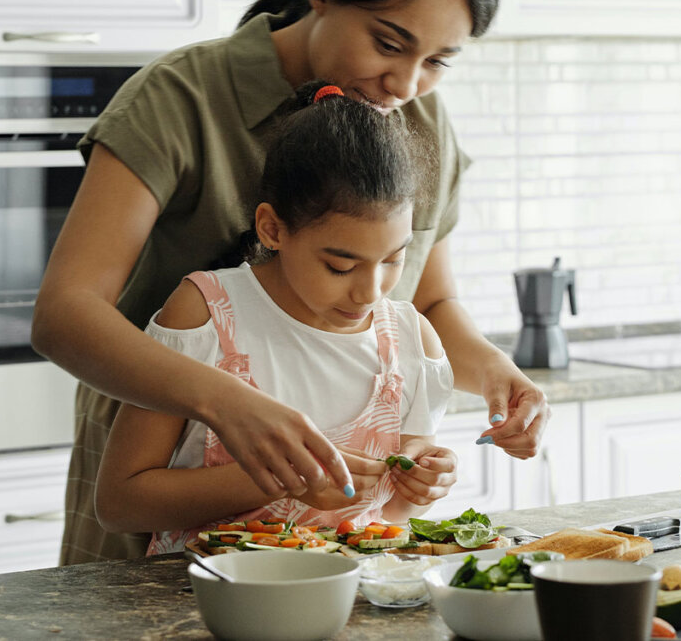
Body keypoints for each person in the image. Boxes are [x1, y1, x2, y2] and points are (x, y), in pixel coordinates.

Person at [31, 0, 551, 565]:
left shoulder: (421, 122)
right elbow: (66, 314)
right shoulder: (182, 96)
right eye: (388, 43)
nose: (406, 86)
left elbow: (427, 302)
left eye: (437, 62)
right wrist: (227, 402)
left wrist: (494, 373)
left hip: (330, 540)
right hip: (161, 464)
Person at [95, 81, 455, 552]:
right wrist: (279, 480)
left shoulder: (411, 342)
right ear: (272, 228)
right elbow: (120, 504)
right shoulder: (206, 315)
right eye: (340, 266)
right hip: (204, 605)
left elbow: (390, 517)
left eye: (393, 259)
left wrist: (420, 488)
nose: (370, 291)